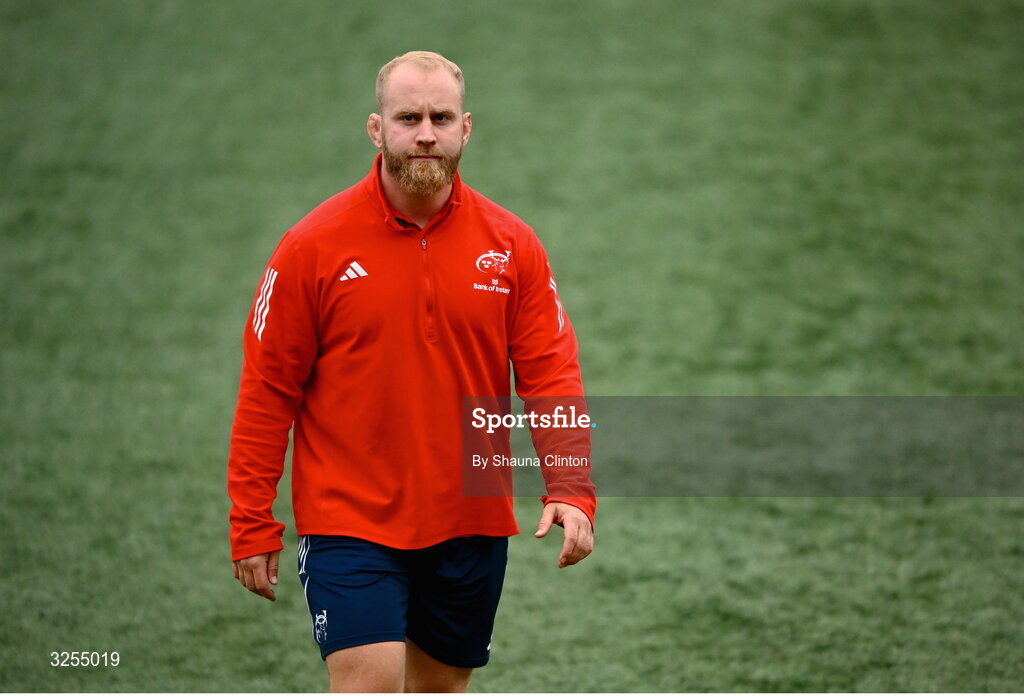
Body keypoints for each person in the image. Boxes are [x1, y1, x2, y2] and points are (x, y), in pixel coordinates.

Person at [227, 50, 596, 693]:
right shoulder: (311, 248)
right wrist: (251, 517)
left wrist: (570, 486)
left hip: (469, 522)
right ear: (377, 129)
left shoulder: (513, 246)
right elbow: (267, 391)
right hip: (350, 521)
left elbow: (551, 373)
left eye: (440, 117)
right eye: (408, 117)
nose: (425, 132)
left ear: (465, 128)